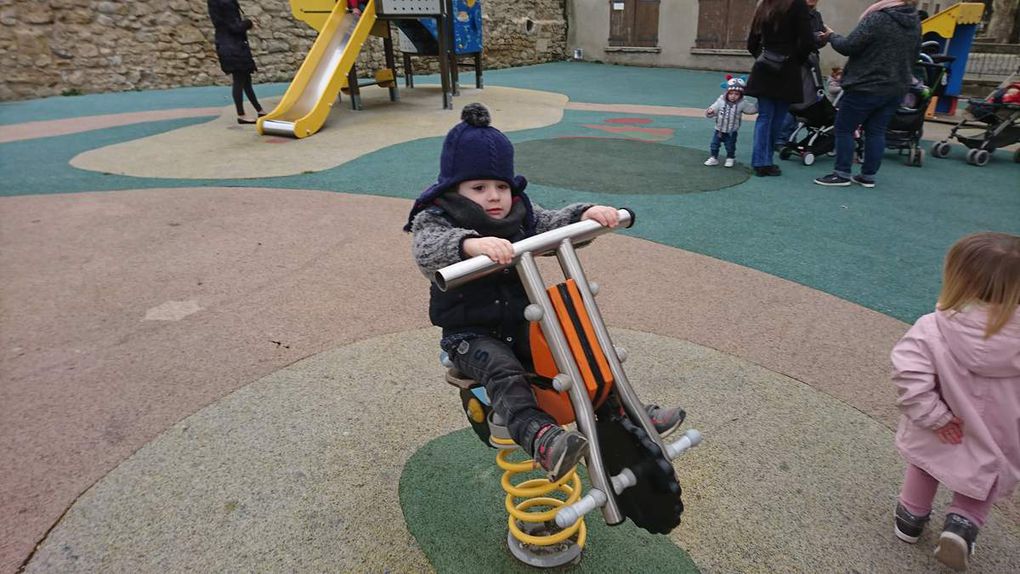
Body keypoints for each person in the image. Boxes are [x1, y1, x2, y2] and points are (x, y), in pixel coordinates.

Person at [405, 103, 686, 482]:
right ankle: (541, 438)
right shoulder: (438, 217)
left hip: (524, 323)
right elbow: (427, 249)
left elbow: (551, 223)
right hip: (470, 335)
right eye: (479, 187)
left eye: (501, 186)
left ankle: (627, 413)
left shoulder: (520, 213)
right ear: (453, 188)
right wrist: (471, 245)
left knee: (581, 349)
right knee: (504, 370)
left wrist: (587, 215)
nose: (494, 197)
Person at [890, 232, 1020, 572]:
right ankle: (962, 526)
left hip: (940, 424)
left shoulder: (932, 327)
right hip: (999, 430)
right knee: (983, 475)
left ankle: (910, 517)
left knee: (925, 461)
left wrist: (935, 415)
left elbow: (908, 373)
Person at [814, 0, 922, 188]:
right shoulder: (914, 22)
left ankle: (842, 173)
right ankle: (868, 175)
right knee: (876, 131)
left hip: (865, 85)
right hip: (896, 86)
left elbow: (849, 46)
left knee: (844, 128)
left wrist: (831, 36)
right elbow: (915, 54)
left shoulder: (877, 18)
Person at [745, 0, 818, 177]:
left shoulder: (764, 4)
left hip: (765, 66)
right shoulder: (797, 4)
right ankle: (766, 161)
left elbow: (752, 42)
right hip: (788, 68)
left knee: (764, 117)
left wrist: (764, 58)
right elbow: (808, 41)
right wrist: (795, 60)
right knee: (778, 117)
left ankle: (760, 161)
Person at [775, 0, 829, 148]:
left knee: (806, 101)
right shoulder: (789, 11)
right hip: (795, 61)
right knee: (791, 101)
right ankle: (780, 138)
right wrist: (817, 37)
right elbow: (794, 37)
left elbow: (817, 41)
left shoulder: (816, 15)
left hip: (811, 63)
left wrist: (823, 38)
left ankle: (790, 137)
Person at [208, 0, 265, 124]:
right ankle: (241, 114)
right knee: (239, 80)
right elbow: (234, 27)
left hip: (229, 45)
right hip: (233, 47)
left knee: (246, 80)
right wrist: (248, 23)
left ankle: (260, 110)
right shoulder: (225, 3)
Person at [704, 76, 758, 168]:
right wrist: (710, 112)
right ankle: (713, 157)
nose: (733, 96)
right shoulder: (720, 101)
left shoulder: (742, 103)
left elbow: (751, 109)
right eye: (731, 93)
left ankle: (730, 158)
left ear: (740, 95)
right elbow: (713, 108)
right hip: (719, 130)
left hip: (731, 131)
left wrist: (758, 105)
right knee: (714, 144)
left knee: (730, 146)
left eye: (736, 94)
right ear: (727, 93)